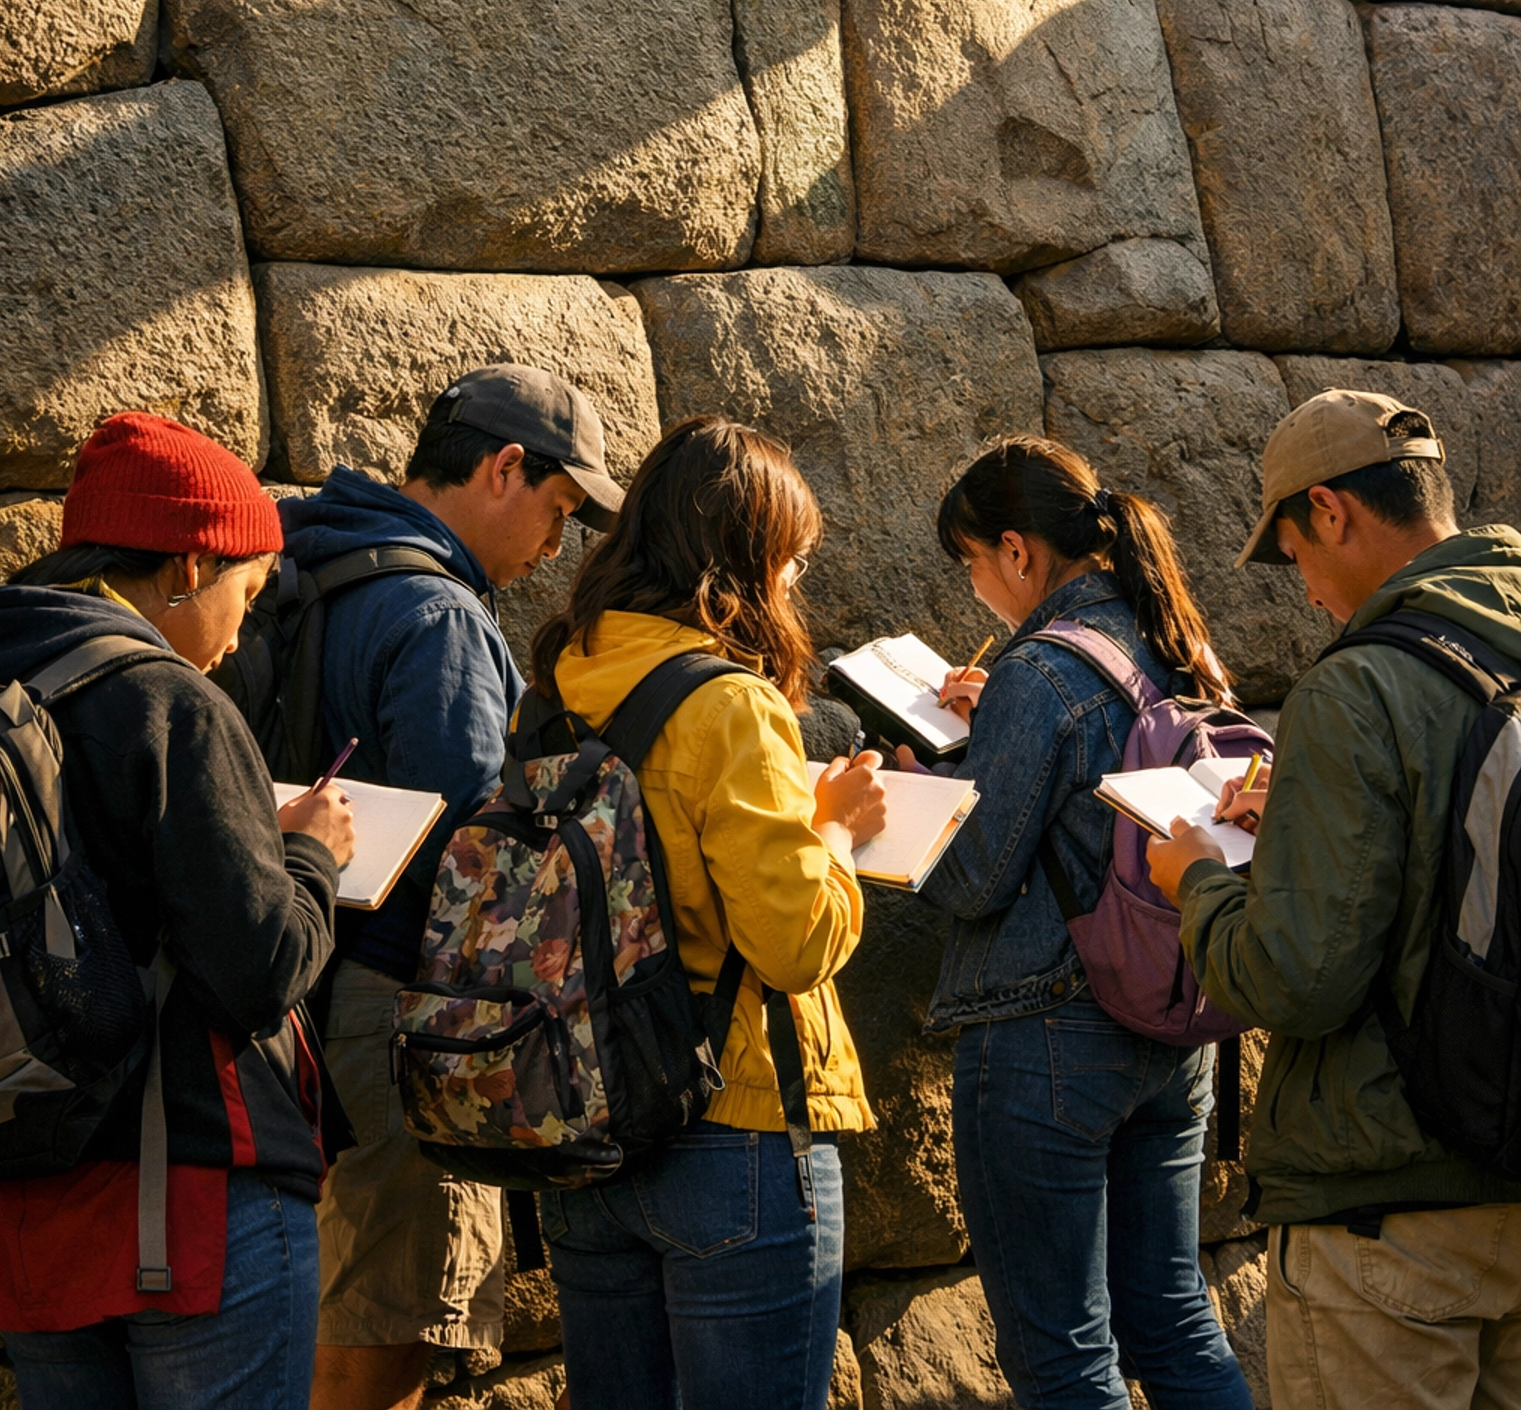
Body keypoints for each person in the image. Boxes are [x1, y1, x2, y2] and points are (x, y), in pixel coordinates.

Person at [1149, 388, 1521, 1409]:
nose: (1306, 589)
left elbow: (1297, 976)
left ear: (1330, 510)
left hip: (1387, 1222)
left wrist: (1203, 887)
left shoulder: (1358, 687)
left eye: (1293, 554)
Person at [0, 411, 355, 1410]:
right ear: (190, 566)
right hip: (186, 1202)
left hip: (20, 1199)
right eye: (247, 590)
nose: (239, 637)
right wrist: (311, 856)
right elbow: (260, 968)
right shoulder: (167, 700)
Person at [282, 366, 624, 1410]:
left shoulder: (303, 565)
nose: (555, 550)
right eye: (559, 512)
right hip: (388, 1014)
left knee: (313, 1308)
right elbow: (481, 857)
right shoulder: (437, 617)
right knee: (385, 1327)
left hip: (282, 990)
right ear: (504, 467)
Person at [529, 416, 886, 1410]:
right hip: (733, 1117)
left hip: (583, 1119)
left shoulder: (555, 686)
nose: (795, 586)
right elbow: (794, 940)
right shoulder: (730, 704)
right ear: (746, 559)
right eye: (793, 562)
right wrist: (839, 831)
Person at [913, 433, 1253, 1410]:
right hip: (1171, 1021)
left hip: (1044, 1036)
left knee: (1063, 1356)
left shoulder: (1043, 672)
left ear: (1017, 551)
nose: (977, 587)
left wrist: (915, 789)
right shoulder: (1169, 643)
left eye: (973, 564)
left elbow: (977, 876)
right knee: (1177, 1324)